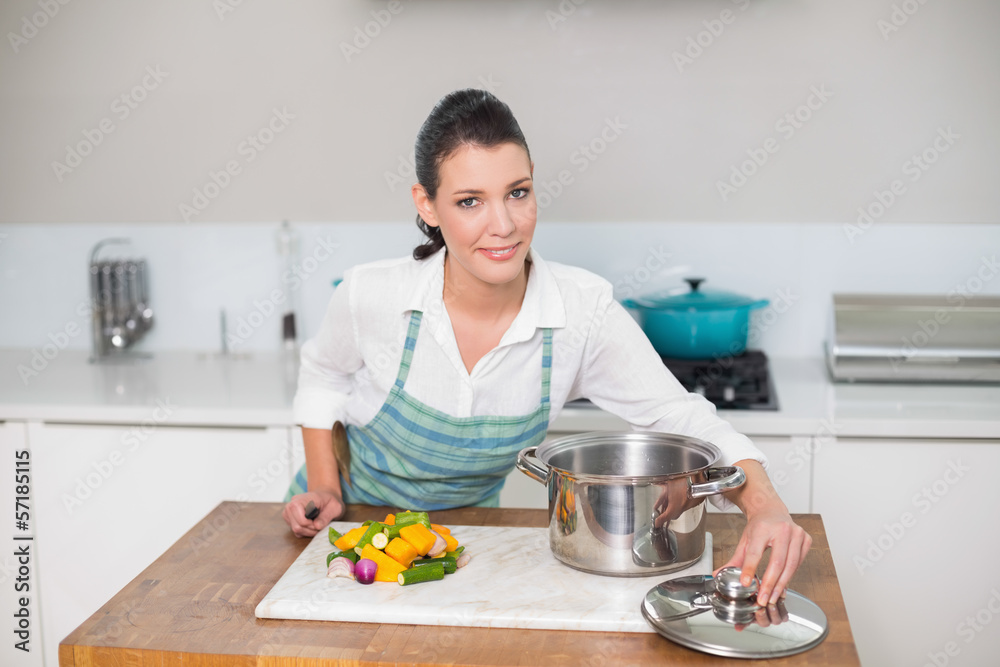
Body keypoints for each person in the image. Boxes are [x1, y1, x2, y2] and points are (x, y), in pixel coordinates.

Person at [283, 89, 811, 607]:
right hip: (347, 534)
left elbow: (680, 413)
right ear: (428, 204)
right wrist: (326, 489)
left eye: (518, 192)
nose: (505, 225)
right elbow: (323, 376)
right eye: (470, 201)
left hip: (464, 539)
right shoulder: (372, 294)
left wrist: (764, 504)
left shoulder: (581, 311)